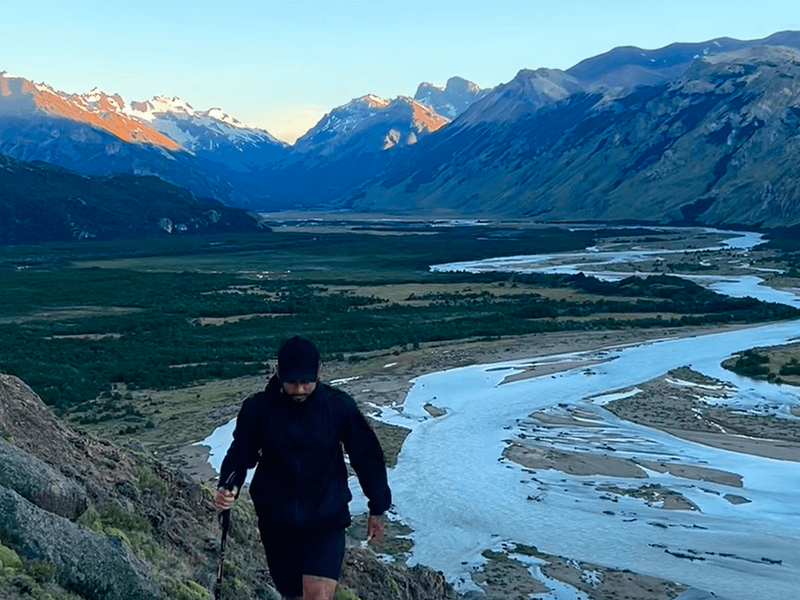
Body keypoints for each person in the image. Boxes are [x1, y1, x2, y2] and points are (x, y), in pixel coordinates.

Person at [214, 336, 391, 600]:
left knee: (317, 597)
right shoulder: (258, 409)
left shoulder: (338, 406)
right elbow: (242, 452)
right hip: (276, 519)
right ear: (278, 372)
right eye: (291, 382)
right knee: (293, 595)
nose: (298, 389)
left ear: (320, 370)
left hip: (326, 517)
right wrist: (228, 485)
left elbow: (366, 455)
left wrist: (377, 506)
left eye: (305, 381)